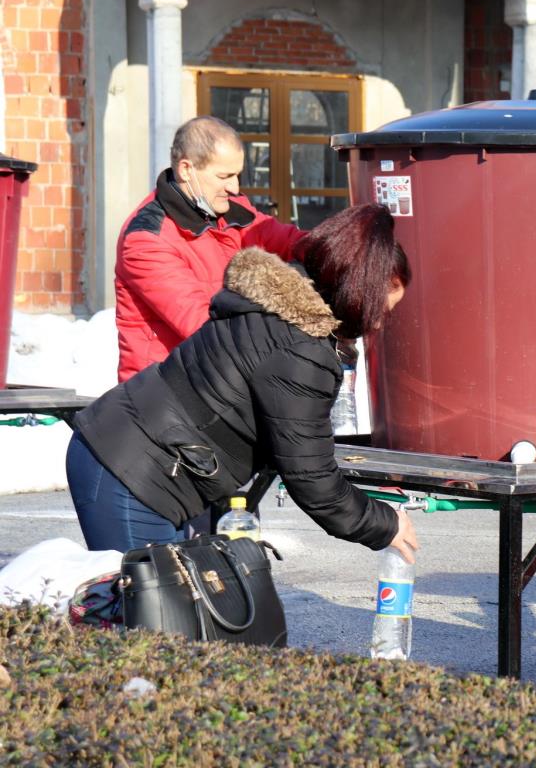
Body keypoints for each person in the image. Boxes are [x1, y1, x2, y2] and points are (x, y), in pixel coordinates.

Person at [65, 204, 419, 562]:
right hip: (131, 471)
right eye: (381, 311)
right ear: (360, 290)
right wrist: (385, 524)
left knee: (172, 605)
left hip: (141, 457)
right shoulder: (300, 348)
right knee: (147, 608)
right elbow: (313, 479)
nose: (377, 325)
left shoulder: (281, 314)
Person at [114, 116, 306, 382]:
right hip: (163, 397)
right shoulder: (147, 239)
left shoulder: (231, 209)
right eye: (224, 176)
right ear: (186, 170)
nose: (235, 187)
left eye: (238, 175)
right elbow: (203, 325)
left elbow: (292, 241)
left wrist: (343, 246)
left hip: (220, 383)